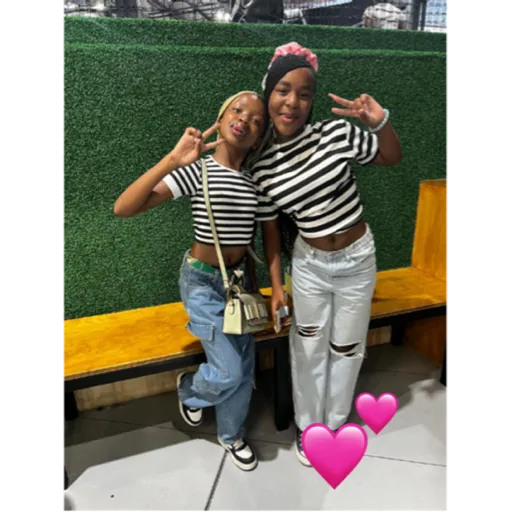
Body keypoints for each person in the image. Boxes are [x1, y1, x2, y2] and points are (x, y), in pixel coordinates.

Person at [249, 42, 402, 466]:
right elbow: (270, 232)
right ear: (268, 92)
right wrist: (277, 288)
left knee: (347, 347)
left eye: (304, 94)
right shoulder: (260, 165)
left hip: (357, 260)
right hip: (310, 266)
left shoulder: (335, 134)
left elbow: (391, 156)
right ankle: (310, 427)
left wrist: (379, 122)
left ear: (312, 100)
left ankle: (334, 424)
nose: (292, 102)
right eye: (283, 90)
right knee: (308, 348)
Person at [114, 91, 269, 471]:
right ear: (221, 117)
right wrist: (172, 159)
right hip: (202, 283)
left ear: (259, 138)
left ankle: (231, 436)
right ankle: (190, 389)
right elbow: (124, 208)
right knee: (229, 370)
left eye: (256, 120)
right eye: (238, 110)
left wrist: (255, 289)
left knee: (244, 368)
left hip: (238, 285)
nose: (244, 120)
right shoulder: (197, 171)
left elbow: (248, 240)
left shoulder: (253, 181)